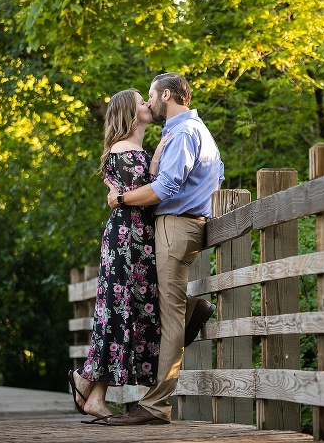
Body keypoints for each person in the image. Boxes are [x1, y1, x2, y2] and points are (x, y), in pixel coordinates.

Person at [102, 72, 224, 426]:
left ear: (166, 95)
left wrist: (120, 198)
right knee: (165, 305)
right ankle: (194, 309)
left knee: (168, 316)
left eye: (151, 96)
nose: (149, 103)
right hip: (179, 225)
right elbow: (217, 176)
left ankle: (154, 406)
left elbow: (166, 187)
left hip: (176, 225)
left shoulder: (184, 132)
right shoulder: (186, 131)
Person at [69, 88, 161, 424]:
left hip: (134, 238)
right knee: (118, 311)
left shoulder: (135, 149)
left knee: (122, 312)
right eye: (142, 102)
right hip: (127, 238)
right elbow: (145, 196)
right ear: (129, 112)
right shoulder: (125, 149)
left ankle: (94, 394)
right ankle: (86, 377)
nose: (149, 104)